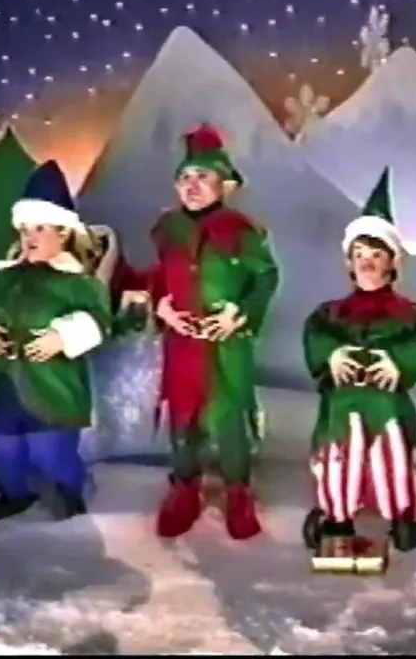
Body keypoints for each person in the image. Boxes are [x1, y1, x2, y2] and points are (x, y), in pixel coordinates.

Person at [111, 124, 280, 541]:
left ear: (225, 185)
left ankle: (238, 491)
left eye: (202, 176)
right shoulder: (168, 228)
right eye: (185, 177)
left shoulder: (241, 230)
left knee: (229, 420)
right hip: (183, 343)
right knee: (183, 419)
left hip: (225, 344)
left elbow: (265, 278)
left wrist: (239, 314)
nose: (192, 185)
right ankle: (185, 488)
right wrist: (163, 306)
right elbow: (161, 276)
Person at [0, 160, 112, 523]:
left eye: (40, 227)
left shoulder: (77, 282)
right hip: (3, 378)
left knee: (50, 451)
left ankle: (69, 488)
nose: (30, 236)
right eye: (25, 229)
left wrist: (64, 335)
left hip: (51, 383)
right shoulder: (0, 276)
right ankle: (13, 493)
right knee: (2, 447)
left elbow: (100, 320)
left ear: (63, 232)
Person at [301, 169, 416, 555]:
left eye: (376, 255)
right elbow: (315, 336)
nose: (367, 263)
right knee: (338, 457)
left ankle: (402, 513)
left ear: (392, 262)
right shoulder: (329, 313)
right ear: (349, 262)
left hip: (386, 404)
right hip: (341, 405)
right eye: (360, 256)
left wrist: (397, 363)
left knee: (393, 455)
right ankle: (337, 514)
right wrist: (333, 354)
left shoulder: (414, 315)